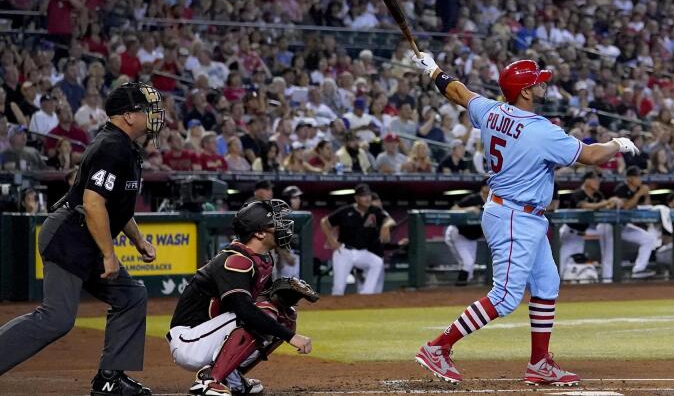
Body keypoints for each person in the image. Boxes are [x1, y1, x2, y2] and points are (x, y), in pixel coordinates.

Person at [410, 55, 638, 387]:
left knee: (547, 284)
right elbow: (592, 155)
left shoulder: (490, 111)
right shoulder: (540, 130)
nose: (543, 85)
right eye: (537, 82)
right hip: (515, 215)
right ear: (526, 92)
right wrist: (618, 143)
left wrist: (433, 71)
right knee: (504, 297)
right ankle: (438, 347)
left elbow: (457, 92)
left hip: (517, 213)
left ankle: (539, 363)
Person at [0, 82, 164, 396]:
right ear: (128, 116)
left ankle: (109, 379)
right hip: (70, 237)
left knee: (131, 296)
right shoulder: (111, 147)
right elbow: (93, 203)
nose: (154, 116)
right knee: (56, 318)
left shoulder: (125, 146)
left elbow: (116, 204)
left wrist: (137, 239)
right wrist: (108, 253)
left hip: (85, 235)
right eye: (146, 110)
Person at [167, 200, 313, 396]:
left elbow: (264, 300)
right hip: (190, 340)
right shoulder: (235, 260)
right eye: (275, 223)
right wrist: (291, 338)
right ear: (260, 233)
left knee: (285, 316)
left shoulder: (262, 258)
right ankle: (209, 381)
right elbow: (243, 309)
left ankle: (230, 376)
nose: (282, 227)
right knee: (261, 315)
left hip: (211, 334)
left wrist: (283, 300)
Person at [320, 183, 392, 295]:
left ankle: (367, 293)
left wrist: (385, 225)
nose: (367, 198)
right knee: (338, 289)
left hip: (362, 252)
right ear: (356, 198)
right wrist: (332, 240)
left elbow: (389, 220)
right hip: (344, 251)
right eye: (363, 195)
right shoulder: (345, 211)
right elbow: (324, 222)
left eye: (368, 195)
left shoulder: (374, 211)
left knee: (377, 262)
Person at [558, 171, 620, 281]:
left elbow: (605, 207)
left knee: (574, 262)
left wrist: (613, 202)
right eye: (595, 179)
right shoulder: (578, 193)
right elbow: (585, 206)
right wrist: (606, 203)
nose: (598, 182)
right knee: (561, 263)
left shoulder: (598, 195)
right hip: (569, 233)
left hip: (581, 235)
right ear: (587, 180)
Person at [612, 168, 658, 278]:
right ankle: (605, 285)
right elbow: (626, 206)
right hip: (610, 225)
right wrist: (639, 194)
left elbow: (647, 207)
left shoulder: (638, 189)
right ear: (629, 178)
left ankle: (638, 270)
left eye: (640, 176)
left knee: (649, 239)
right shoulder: (621, 188)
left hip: (623, 226)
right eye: (637, 176)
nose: (640, 179)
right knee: (608, 258)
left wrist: (646, 195)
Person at [444, 185, 488, 285]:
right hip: (459, 233)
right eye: (487, 185)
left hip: (472, 237)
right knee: (467, 262)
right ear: (483, 187)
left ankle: (462, 293)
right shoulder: (473, 198)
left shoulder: (493, 200)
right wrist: (470, 208)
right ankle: (459, 288)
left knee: (470, 268)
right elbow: (453, 209)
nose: (490, 187)